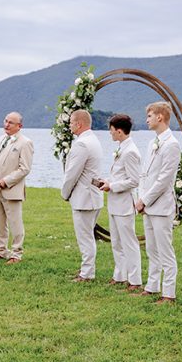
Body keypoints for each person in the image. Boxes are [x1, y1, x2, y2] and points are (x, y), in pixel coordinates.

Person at [136, 101, 181, 303]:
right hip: (148, 206)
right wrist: (141, 197)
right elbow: (145, 174)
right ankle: (152, 285)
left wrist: (144, 199)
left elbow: (164, 179)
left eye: (149, 116)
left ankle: (168, 292)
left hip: (161, 206)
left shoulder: (171, 144)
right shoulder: (152, 142)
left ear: (160, 117)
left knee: (165, 250)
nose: (147, 120)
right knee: (151, 248)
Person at [0, 111, 34, 264]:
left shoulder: (25, 142)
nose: (6, 124)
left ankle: (16, 254)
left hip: (12, 190)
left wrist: (6, 180)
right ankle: (1, 251)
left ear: (19, 126)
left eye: (11, 122)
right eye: (5, 121)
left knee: (15, 223)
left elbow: (25, 168)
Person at [99, 114, 142, 288]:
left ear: (118, 131)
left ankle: (135, 279)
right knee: (116, 241)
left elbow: (134, 180)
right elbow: (119, 174)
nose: (110, 134)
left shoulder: (131, 151)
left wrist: (113, 185)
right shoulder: (122, 148)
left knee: (129, 242)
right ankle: (120, 275)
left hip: (124, 203)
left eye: (111, 131)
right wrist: (107, 181)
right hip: (114, 203)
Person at [60, 108, 104, 282]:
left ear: (78, 124)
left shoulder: (81, 144)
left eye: (71, 122)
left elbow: (72, 174)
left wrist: (65, 193)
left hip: (84, 198)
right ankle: (86, 271)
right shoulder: (94, 140)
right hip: (93, 196)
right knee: (87, 236)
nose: (70, 125)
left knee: (85, 238)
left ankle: (87, 274)